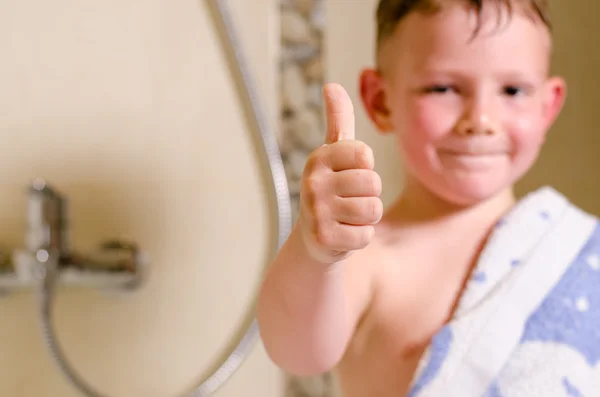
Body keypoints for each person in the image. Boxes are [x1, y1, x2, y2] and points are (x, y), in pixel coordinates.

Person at [257, 0, 600, 396]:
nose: (481, 120)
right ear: (381, 100)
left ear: (547, 105)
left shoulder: (576, 253)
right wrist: (315, 252)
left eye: (512, 90)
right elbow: (297, 352)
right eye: (444, 88)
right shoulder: (368, 257)